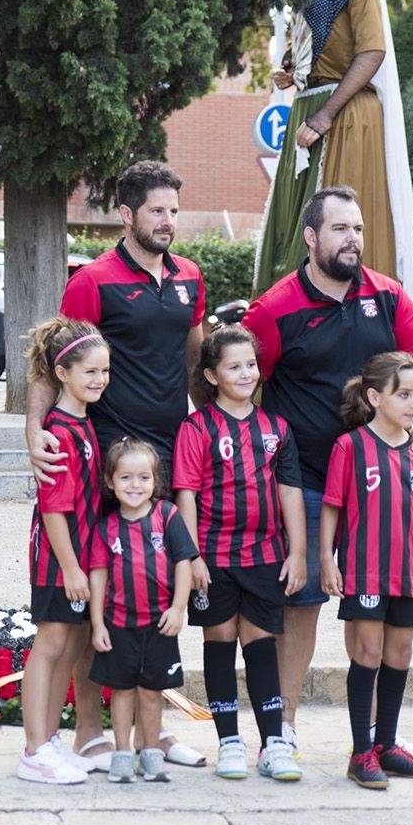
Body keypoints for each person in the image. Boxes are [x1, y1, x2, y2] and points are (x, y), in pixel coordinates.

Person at [242, 186, 413, 762]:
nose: (353, 239)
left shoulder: (389, 295)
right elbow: (245, 384)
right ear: (311, 237)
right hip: (305, 478)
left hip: (381, 486)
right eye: (340, 229)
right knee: (301, 604)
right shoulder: (275, 309)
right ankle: (284, 730)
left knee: (386, 607)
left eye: (357, 228)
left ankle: (381, 735)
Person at [30, 159, 208, 768]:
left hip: (168, 455)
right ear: (127, 215)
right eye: (157, 211)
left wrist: (209, 430)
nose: (168, 222)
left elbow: (194, 360)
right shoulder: (95, 281)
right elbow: (51, 358)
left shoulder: (190, 277)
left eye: (174, 212)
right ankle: (89, 731)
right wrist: (34, 433)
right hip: (108, 461)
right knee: (97, 601)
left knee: (159, 591)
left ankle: (154, 733)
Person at [254, 0, 413, 344]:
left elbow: (372, 50)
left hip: (344, 118)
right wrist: (294, 72)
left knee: (335, 230)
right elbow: (320, 47)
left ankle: (346, 341)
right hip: (313, 109)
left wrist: (327, 113)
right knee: (297, 232)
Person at [172, 325, 307, 783]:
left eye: (251, 364)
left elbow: (290, 492)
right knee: (219, 641)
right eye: (234, 366)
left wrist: (299, 553)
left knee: (261, 645)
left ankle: (273, 744)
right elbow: (186, 494)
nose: (245, 372)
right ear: (211, 375)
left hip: (266, 554)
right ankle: (229, 741)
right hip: (213, 555)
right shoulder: (196, 428)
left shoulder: (277, 429)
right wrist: (191, 557)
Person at [318, 351, 413, 790]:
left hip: (407, 572)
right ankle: (360, 753)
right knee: (367, 653)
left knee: (400, 654)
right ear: (375, 397)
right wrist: (326, 559)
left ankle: (387, 745)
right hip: (365, 571)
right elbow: (332, 505)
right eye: (403, 394)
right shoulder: (349, 446)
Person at [16, 317, 110, 785]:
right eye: (90, 372)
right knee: (50, 645)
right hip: (59, 559)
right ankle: (33, 748)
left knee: (71, 646)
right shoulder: (56, 432)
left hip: (78, 556)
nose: (99, 380)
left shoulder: (83, 423)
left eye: (105, 372)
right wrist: (72, 569)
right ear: (63, 373)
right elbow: (54, 510)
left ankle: (51, 738)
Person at [86, 438, 198, 784]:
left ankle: (150, 750)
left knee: (151, 693)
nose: (135, 486)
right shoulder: (106, 528)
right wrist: (96, 625)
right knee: (121, 692)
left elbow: (183, 564)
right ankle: (122, 752)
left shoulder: (168, 517)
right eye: (125, 478)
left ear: (155, 481)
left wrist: (179, 608)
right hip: (119, 624)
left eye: (143, 478)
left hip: (159, 624)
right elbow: (99, 576)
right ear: (110, 481)